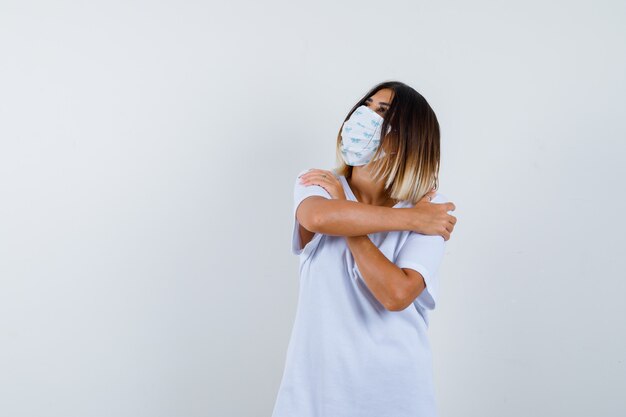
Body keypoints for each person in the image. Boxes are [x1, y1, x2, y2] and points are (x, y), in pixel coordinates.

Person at [271, 81, 457, 417]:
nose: (365, 116)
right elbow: (318, 217)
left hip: (395, 397)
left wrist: (356, 223)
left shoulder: (431, 208)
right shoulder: (321, 184)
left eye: (383, 113)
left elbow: (396, 294)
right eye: (366, 106)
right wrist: (412, 220)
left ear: (408, 139)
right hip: (315, 396)